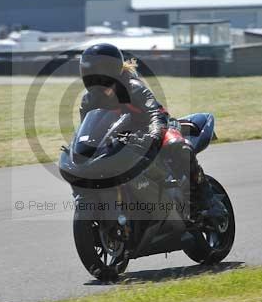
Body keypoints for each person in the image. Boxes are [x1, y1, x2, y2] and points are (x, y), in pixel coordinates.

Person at [78, 42, 226, 226]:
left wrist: (155, 134)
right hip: (121, 139)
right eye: (88, 71)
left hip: (156, 128)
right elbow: (87, 128)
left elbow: (154, 114)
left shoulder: (133, 87)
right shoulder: (89, 100)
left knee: (177, 145)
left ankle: (208, 200)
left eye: (97, 70)